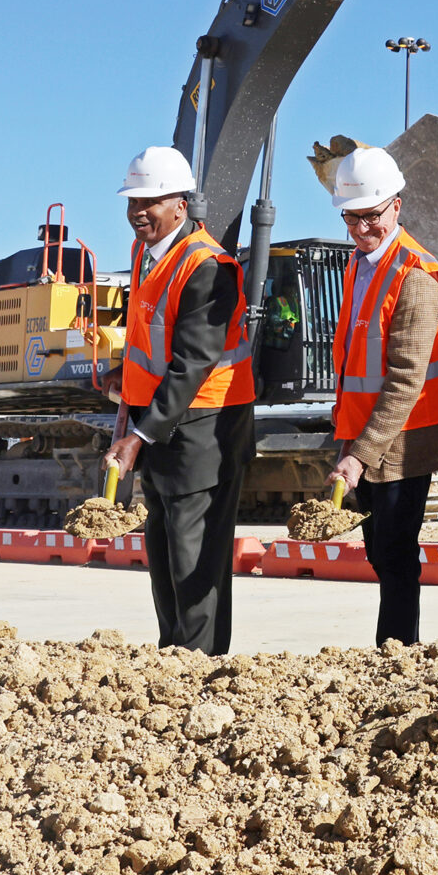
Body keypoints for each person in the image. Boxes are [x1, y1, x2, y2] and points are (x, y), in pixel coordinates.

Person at [104, 145, 255, 654]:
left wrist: (139, 436)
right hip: (163, 424)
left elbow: (193, 361)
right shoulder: (146, 256)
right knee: (164, 548)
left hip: (204, 429)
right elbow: (150, 341)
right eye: (133, 202)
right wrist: (123, 391)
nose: (139, 212)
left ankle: (200, 665)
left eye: (151, 200)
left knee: (195, 557)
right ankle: (173, 656)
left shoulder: (208, 266)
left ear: (181, 206)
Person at [322, 146, 438, 647]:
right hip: (364, 439)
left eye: (370, 216)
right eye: (351, 217)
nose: (360, 228)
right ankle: (395, 650)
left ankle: (397, 653)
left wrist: (359, 454)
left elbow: (404, 382)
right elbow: (354, 368)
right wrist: (348, 441)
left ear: (396, 206)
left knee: (396, 554)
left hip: (403, 444)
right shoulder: (360, 266)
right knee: (380, 552)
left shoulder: (416, 276)